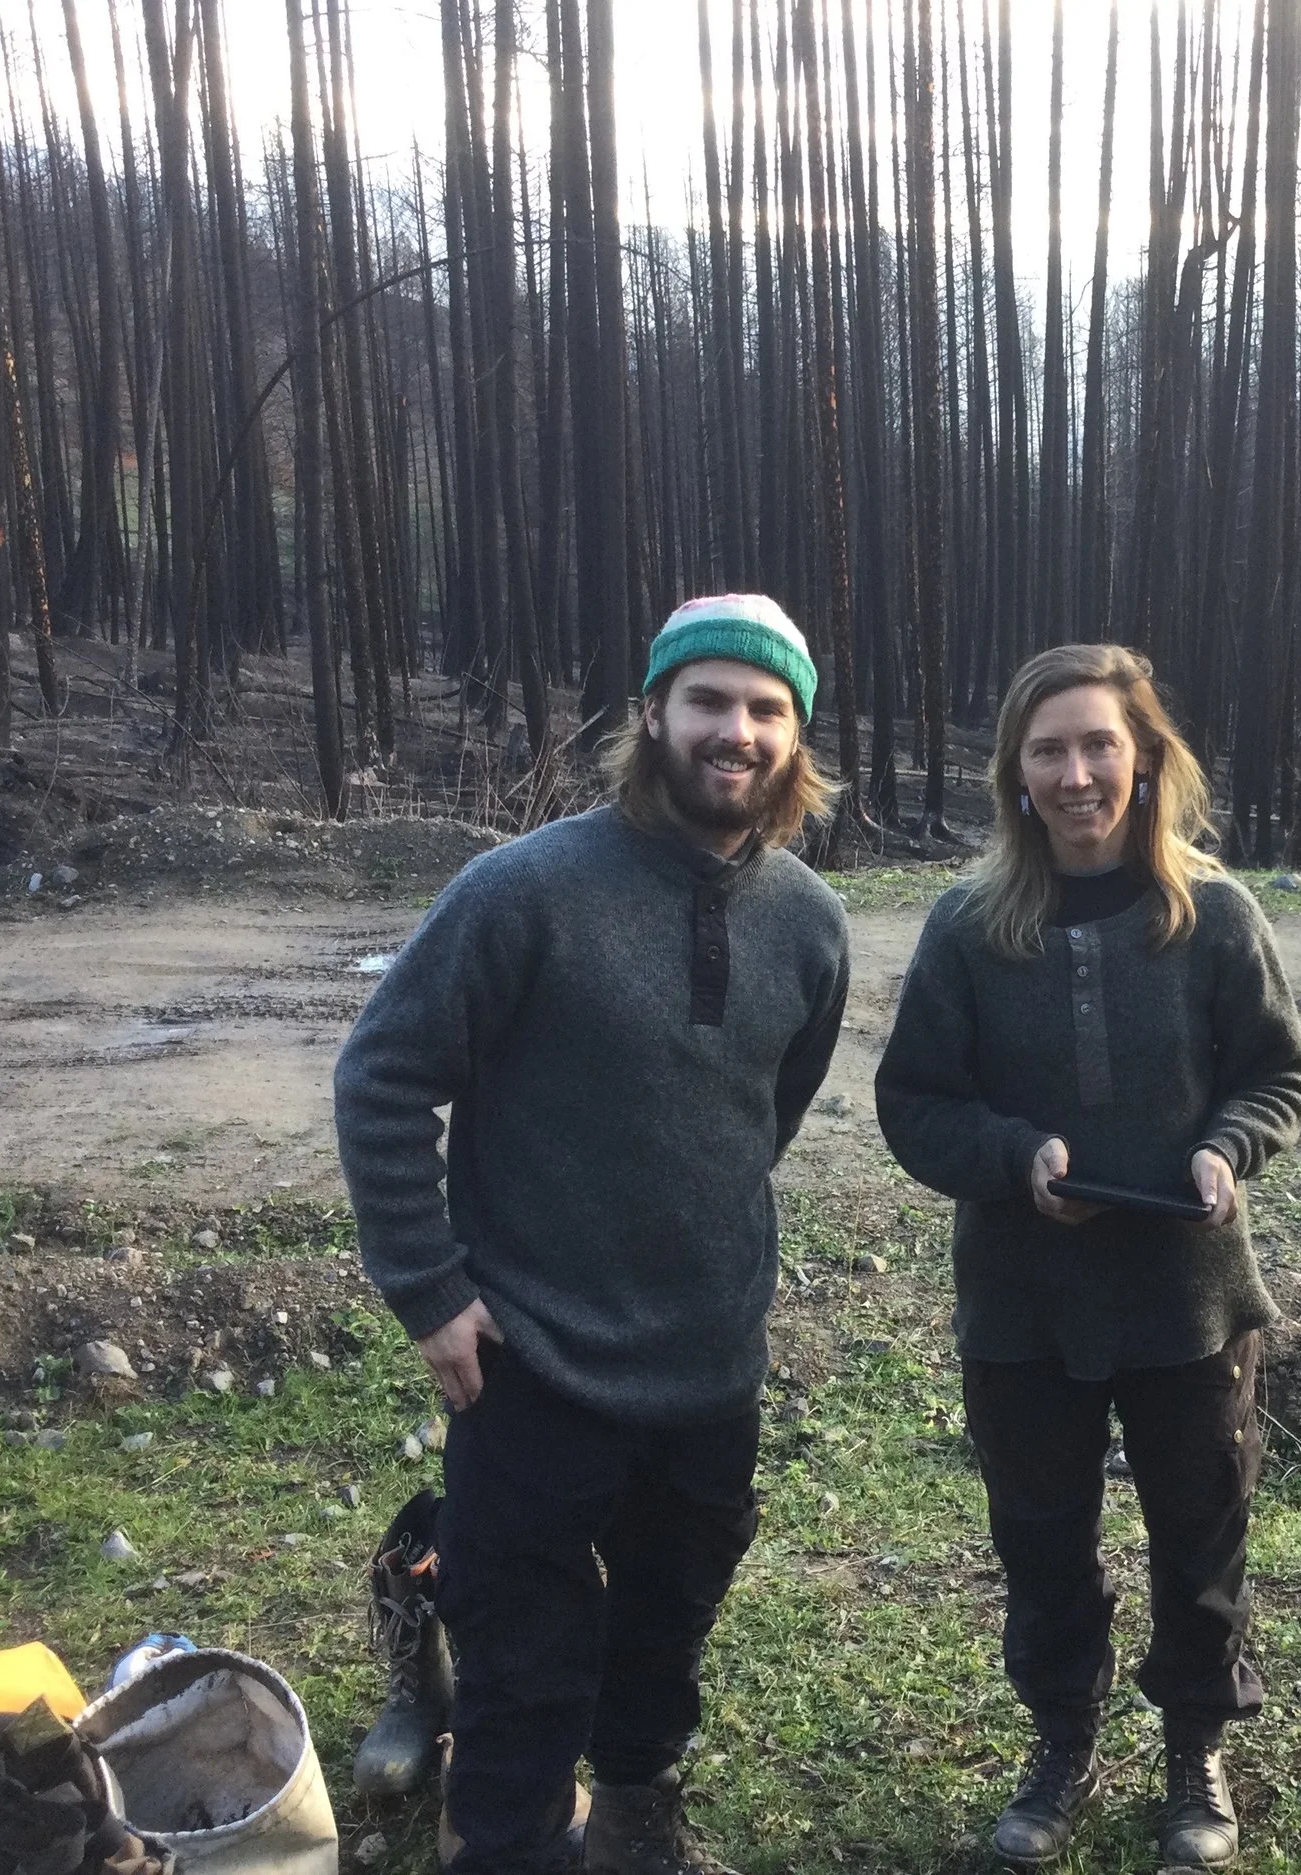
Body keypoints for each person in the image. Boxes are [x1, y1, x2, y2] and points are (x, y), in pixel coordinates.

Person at [335, 593, 852, 1875]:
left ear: (794, 741)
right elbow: (383, 1076)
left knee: (668, 1626)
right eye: (710, 702)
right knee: (521, 1652)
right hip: (531, 1359)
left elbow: (758, 1114)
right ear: (652, 716)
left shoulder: (808, 922)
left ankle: (634, 1826)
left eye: (764, 711)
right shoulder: (524, 891)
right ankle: (505, 1847)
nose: (734, 732)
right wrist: (428, 1285)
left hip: (707, 1365)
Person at [875, 643, 1301, 1871]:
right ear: (1016, 772)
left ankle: (1194, 1749)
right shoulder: (968, 926)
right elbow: (914, 1103)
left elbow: (1274, 1074)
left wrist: (1231, 1147)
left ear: (1144, 757)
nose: (1076, 773)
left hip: (1191, 1301)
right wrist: (1016, 1159)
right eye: (1049, 749)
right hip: (1024, 1306)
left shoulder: (1213, 912)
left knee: (1200, 1531)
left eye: (1099, 744)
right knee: (1041, 1536)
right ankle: (1061, 1739)